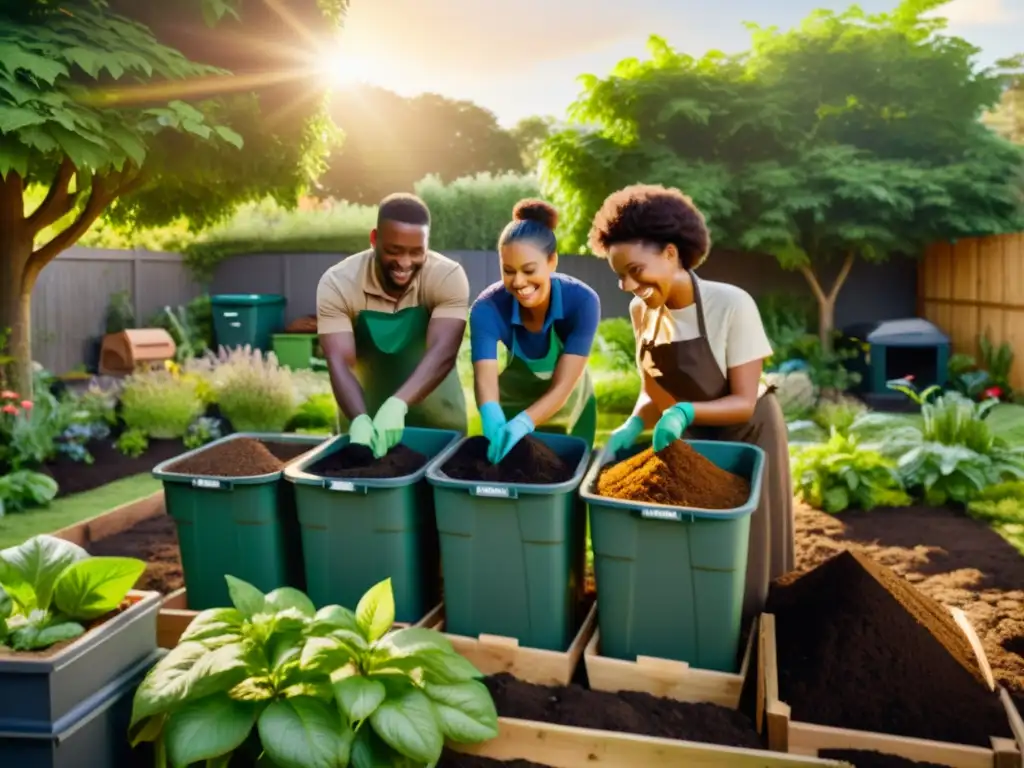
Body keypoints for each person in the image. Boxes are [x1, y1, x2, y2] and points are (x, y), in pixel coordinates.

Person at [589, 183, 794, 620]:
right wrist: (632, 423)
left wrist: (683, 411)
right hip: (692, 434)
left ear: (670, 253)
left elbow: (742, 401)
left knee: (747, 545)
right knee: (689, 538)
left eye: (636, 270)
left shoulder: (731, 305)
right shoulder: (642, 312)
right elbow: (653, 390)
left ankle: (749, 627)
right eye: (620, 276)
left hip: (748, 432)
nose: (628, 285)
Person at [316, 193, 469, 457]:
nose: (405, 263)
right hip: (366, 419)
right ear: (375, 239)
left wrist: (398, 404)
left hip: (439, 422)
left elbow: (443, 351)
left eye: (416, 252)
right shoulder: (339, 283)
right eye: (394, 251)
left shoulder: (447, 275)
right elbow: (340, 362)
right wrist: (360, 419)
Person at [469, 199, 601, 463]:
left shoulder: (582, 302)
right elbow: (484, 377)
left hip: (568, 406)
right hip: (511, 404)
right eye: (508, 271)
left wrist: (524, 424)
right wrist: (491, 414)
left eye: (529, 270)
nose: (518, 282)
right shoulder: (487, 308)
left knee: (566, 477)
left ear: (552, 262)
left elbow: (563, 387)